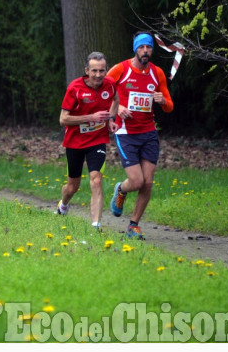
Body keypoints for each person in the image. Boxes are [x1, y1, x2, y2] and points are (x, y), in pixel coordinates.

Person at [106, 31, 174, 239]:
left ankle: (133, 225)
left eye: (149, 47)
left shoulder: (157, 73)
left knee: (148, 182)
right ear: (135, 48)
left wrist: (162, 101)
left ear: (152, 50)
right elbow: (102, 93)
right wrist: (117, 109)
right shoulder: (120, 69)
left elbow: (170, 107)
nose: (145, 51)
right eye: (142, 47)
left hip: (148, 132)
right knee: (136, 182)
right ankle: (121, 190)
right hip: (126, 131)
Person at [57, 52, 118, 230]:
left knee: (96, 179)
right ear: (86, 70)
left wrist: (110, 118)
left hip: (97, 140)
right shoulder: (74, 88)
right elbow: (63, 119)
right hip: (75, 142)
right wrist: (91, 117)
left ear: (106, 70)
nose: (98, 75)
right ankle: (63, 205)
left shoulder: (110, 85)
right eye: (94, 71)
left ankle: (95, 225)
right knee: (72, 187)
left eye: (102, 70)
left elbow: (116, 100)